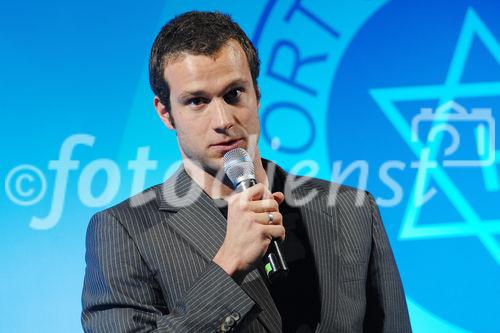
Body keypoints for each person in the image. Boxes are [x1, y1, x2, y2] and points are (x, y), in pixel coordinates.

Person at [81, 11, 412, 333]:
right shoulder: (124, 231)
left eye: (233, 94)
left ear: (257, 94)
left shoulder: (350, 208)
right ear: (166, 113)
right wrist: (228, 264)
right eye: (197, 101)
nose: (223, 120)